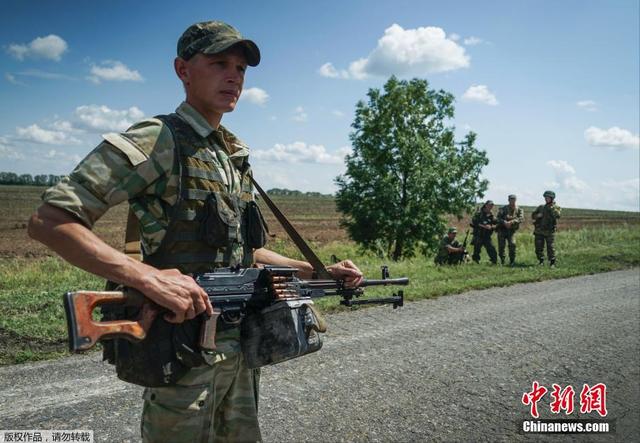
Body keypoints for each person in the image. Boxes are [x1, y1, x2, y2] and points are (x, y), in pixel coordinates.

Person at [27, 21, 363, 442]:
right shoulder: (159, 139)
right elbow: (51, 220)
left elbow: (241, 255)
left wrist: (314, 271)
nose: (234, 76)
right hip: (181, 351)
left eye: (241, 68)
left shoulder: (232, 154)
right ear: (182, 70)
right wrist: (146, 277)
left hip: (239, 351)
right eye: (219, 62)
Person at [531, 190, 562, 267]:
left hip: (549, 231)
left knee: (550, 248)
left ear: (552, 198)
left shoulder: (556, 207)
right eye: (545, 197)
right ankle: (541, 261)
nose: (546, 199)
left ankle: (552, 262)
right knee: (538, 247)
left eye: (547, 197)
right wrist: (537, 216)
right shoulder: (541, 207)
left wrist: (552, 207)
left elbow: (557, 215)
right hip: (539, 230)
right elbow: (533, 215)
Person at [496, 194, 525, 266]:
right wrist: (504, 222)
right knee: (501, 246)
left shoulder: (519, 209)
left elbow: (521, 218)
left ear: (515, 200)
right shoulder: (503, 208)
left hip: (511, 231)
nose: (512, 201)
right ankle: (502, 261)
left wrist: (512, 222)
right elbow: (498, 218)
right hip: (502, 230)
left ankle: (512, 261)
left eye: (514, 199)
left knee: (512, 244)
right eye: (511, 199)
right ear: (508, 200)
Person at [470, 200, 498, 264]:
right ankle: (475, 261)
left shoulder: (492, 215)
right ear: (486, 205)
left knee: (491, 248)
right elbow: (473, 222)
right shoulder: (479, 213)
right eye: (489, 205)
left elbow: (497, 224)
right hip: (478, 234)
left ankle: (494, 261)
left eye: (492, 205)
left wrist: (491, 227)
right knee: (477, 249)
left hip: (487, 236)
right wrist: (483, 226)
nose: (490, 206)